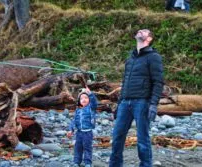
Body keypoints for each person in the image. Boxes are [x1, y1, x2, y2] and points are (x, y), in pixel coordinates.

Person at [109, 29, 164, 167]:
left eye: (144, 31)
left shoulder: (154, 57)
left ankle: (145, 165)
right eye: (140, 30)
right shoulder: (131, 57)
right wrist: (119, 102)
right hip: (125, 102)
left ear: (149, 38)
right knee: (117, 136)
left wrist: (153, 104)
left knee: (142, 139)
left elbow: (158, 82)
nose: (140, 31)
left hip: (142, 102)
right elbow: (125, 81)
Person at [67, 87, 98, 167]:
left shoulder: (91, 108)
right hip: (79, 133)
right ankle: (76, 162)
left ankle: (88, 163)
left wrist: (90, 94)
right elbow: (74, 121)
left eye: (86, 98)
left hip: (88, 132)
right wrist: (71, 130)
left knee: (87, 148)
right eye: (81, 98)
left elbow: (94, 102)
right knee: (78, 148)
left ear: (89, 100)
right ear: (79, 101)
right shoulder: (78, 110)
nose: (83, 99)